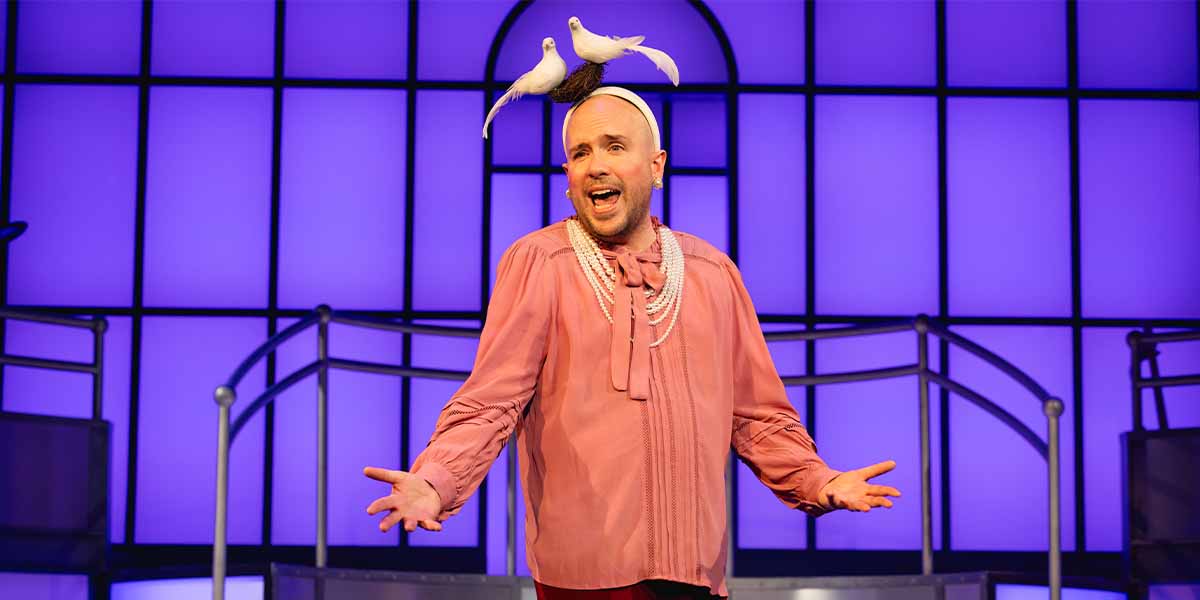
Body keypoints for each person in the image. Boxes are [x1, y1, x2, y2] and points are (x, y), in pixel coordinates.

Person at [364, 87, 901, 600]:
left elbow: (758, 417)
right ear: (568, 177)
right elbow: (491, 402)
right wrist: (437, 481)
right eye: (580, 153)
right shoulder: (541, 263)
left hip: (695, 573)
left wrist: (817, 481)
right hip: (585, 579)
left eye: (615, 147)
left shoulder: (712, 273)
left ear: (656, 166)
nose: (595, 165)